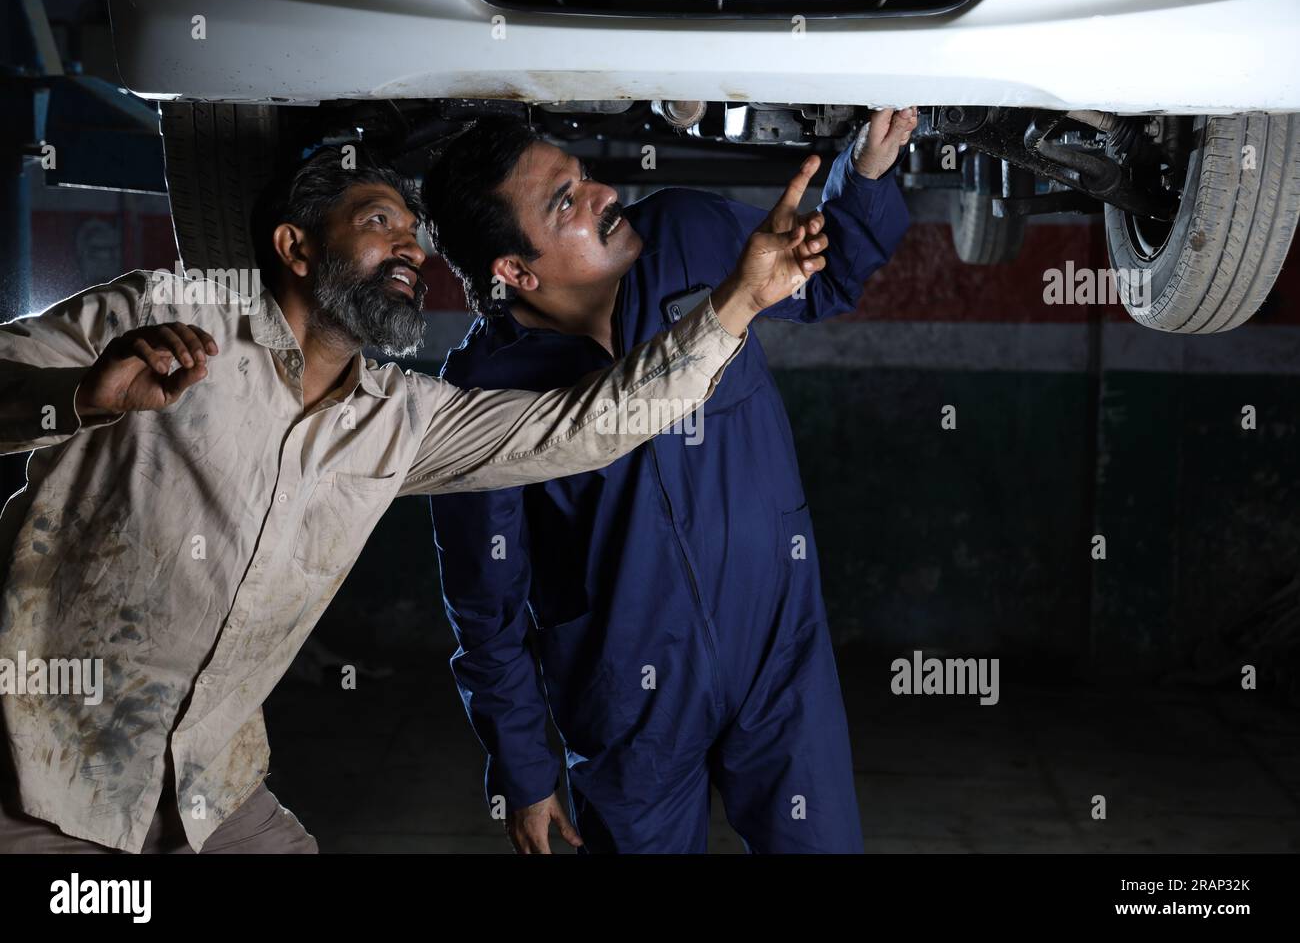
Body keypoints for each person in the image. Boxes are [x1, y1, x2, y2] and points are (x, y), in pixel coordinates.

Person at [0, 141, 828, 853]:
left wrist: (741, 302)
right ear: (295, 247)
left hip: (207, 791)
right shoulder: (162, 314)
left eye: (415, 235)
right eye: (377, 223)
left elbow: (593, 424)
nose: (410, 250)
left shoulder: (399, 418)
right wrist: (77, 396)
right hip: (34, 771)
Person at [423, 109, 915, 853]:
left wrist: (868, 171)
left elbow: (831, 276)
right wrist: (525, 770)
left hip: (774, 651)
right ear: (516, 272)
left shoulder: (689, 231)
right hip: (627, 696)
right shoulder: (485, 394)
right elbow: (485, 608)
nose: (602, 194)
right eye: (566, 202)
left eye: (583, 176)